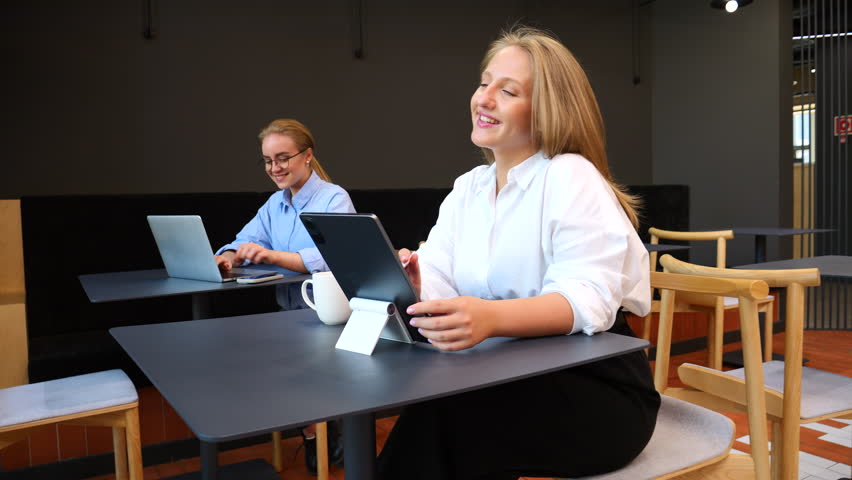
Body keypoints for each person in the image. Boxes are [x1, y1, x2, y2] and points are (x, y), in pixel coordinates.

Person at [380, 27, 660, 480]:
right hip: (504, 371)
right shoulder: (468, 188)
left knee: (442, 416)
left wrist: (491, 318)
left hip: (593, 386)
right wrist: (416, 283)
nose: (484, 98)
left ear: (547, 111)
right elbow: (440, 277)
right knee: (438, 407)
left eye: (508, 91)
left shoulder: (570, 175)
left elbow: (588, 299)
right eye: (483, 83)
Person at [215, 118, 353, 475]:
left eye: (282, 158)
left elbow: (331, 257)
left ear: (307, 155)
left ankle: (322, 428)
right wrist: (227, 257)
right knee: (257, 361)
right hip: (287, 316)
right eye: (267, 160)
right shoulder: (274, 204)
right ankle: (314, 429)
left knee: (295, 368)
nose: (274, 168)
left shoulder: (334, 198)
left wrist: (272, 256)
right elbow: (244, 240)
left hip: (328, 317)